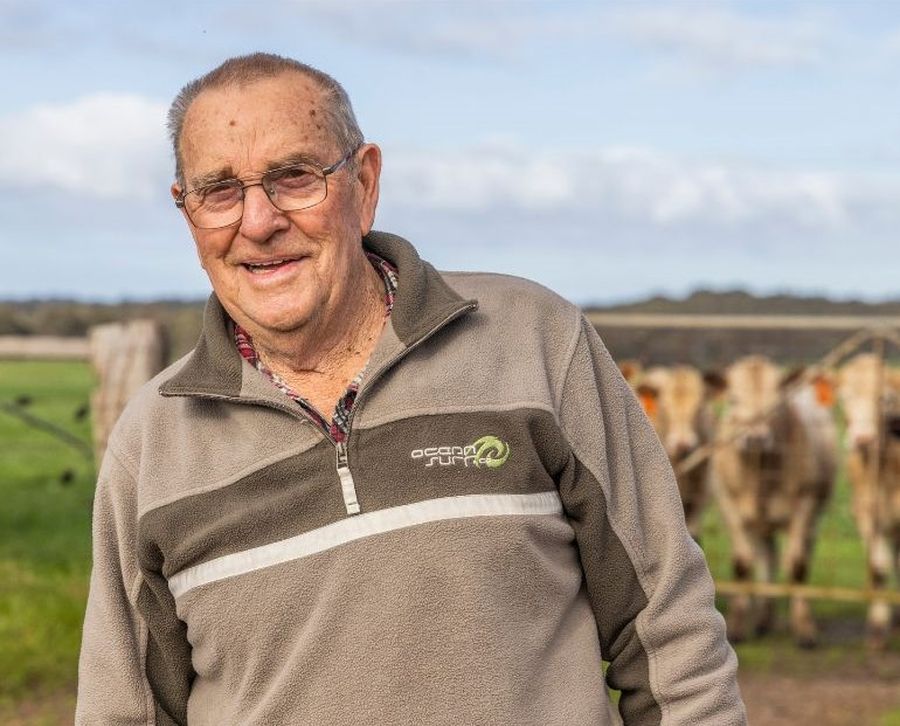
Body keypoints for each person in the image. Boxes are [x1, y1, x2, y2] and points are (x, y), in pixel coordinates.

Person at [76, 53, 745, 726]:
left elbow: (669, 637)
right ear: (186, 213)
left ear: (364, 184)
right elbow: (122, 712)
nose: (258, 221)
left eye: (294, 178)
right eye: (220, 191)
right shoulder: (151, 446)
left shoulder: (535, 343)